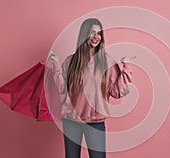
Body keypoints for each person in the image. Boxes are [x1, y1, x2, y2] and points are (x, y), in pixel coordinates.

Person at [47, 18, 135, 158]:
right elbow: (62, 88)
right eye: (92, 32)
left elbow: (117, 92)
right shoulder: (71, 61)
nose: (96, 36)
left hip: (95, 122)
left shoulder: (107, 62)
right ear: (84, 35)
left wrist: (126, 68)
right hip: (71, 121)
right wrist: (56, 65)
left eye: (99, 33)